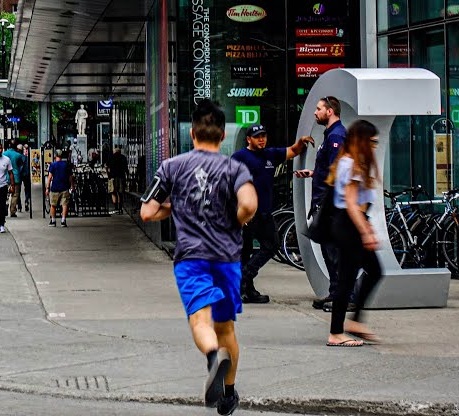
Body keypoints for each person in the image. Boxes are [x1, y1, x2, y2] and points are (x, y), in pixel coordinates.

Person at [140, 100, 257, 415]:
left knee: (200, 320)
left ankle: (212, 357)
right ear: (222, 135)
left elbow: (147, 212)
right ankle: (229, 394)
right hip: (227, 258)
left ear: (192, 133)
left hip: (191, 258)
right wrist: (236, 218)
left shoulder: (171, 167)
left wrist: (176, 208)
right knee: (226, 327)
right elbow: (249, 204)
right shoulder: (235, 168)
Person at [230, 124, 312, 303]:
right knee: (247, 250)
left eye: (263, 136)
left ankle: (245, 281)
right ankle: (245, 286)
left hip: (264, 212)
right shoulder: (240, 157)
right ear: (248, 139)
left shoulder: (271, 154)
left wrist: (301, 142)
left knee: (271, 245)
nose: (261, 139)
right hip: (247, 213)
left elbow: (293, 151)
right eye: (257, 136)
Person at [326, 120, 385, 347]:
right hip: (349, 225)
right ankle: (336, 332)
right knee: (348, 279)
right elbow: (352, 204)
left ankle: (354, 322)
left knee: (369, 272)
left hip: (349, 224)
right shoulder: (352, 165)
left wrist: (366, 228)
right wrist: (365, 232)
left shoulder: (348, 162)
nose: (375, 146)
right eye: (372, 141)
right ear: (361, 141)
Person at [296, 96, 347, 311]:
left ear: (330, 111)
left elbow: (338, 173)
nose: (315, 113)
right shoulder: (330, 135)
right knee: (328, 251)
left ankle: (343, 297)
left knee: (334, 253)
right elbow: (329, 170)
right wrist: (313, 173)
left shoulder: (336, 136)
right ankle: (335, 293)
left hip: (329, 205)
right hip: (324, 202)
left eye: (319, 109)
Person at [46, 151, 73, 226]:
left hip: (55, 188)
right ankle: (63, 221)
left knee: (53, 204)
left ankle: (53, 221)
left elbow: (50, 177)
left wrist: (47, 187)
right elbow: (70, 177)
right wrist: (72, 186)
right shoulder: (66, 165)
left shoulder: (53, 165)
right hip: (65, 187)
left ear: (55, 156)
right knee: (64, 204)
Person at [3, 142, 26, 217]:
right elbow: (21, 165)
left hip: (5, 176)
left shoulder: (4, 154)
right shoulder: (18, 155)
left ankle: (5, 206)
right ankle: (12, 211)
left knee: (5, 193)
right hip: (16, 176)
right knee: (15, 195)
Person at [106, 145, 129, 214]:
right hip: (121, 177)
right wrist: (127, 176)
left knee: (113, 192)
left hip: (113, 177)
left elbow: (107, 167)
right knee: (120, 193)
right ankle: (120, 208)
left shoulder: (111, 157)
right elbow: (126, 168)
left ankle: (116, 207)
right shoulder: (123, 157)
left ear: (114, 152)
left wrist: (109, 175)